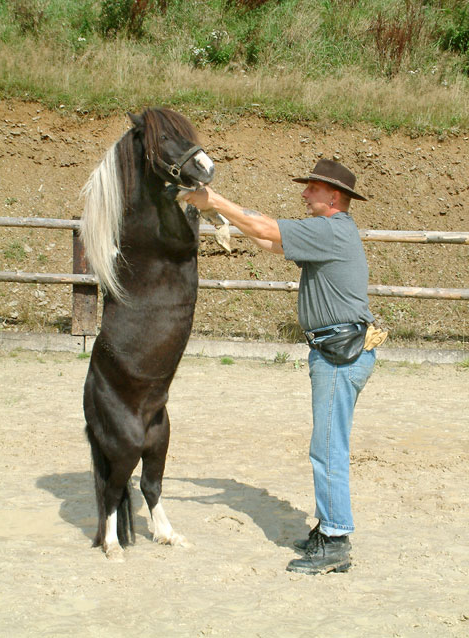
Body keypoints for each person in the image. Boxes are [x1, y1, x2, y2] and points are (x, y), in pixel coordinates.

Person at [184, 158, 381, 575]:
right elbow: (271, 242)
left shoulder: (331, 230)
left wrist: (215, 198)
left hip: (338, 355)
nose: (305, 194)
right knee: (326, 446)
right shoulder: (329, 233)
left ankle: (335, 539)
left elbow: (268, 229)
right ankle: (329, 529)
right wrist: (222, 213)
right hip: (337, 352)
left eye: (312, 188)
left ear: (334, 197)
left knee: (327, 448)